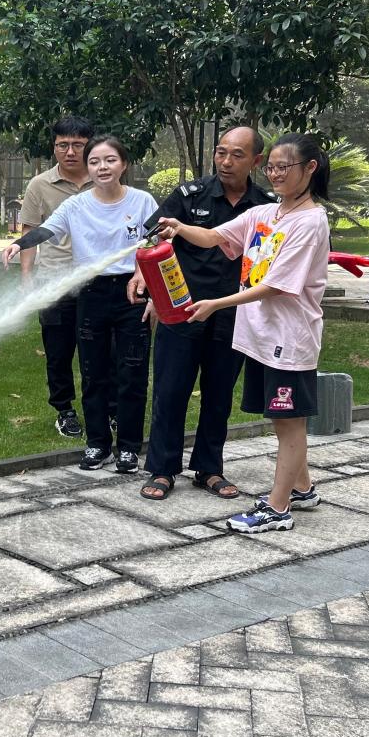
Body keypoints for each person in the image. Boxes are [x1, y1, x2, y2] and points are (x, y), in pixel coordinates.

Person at [155, 134, 332, 532]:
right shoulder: (266, 213)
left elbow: (277, 286)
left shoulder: (310, 222)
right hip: (261, 337)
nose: (276, 174)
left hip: (289, 339)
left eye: (284, 167)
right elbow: (214, 237)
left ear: (310, 168)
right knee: (281, 418)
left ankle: (277, 509)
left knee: (290, 423)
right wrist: (180, 227)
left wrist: (216, 304)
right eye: (272, 167)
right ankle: (302, 489)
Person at [129, 126, 274, 501]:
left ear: (256, 161)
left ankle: (209, 469)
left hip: (232, 313)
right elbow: (152, 235)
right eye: (221, 152)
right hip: (182, 310)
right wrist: (145, 279)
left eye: (237, 155)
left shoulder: (266, 206)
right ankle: (162, 469)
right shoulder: (189, 195)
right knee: (170, 390)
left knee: (219, 394)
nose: (226, 161)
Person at [4, 136, 157, 472]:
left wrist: (151, 289)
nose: (102, 167)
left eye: (110, 160)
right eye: (95, 162)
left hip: (133, 292)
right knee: (93, 373)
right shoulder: (76, 206)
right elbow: (47, 229)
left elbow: (157, 243)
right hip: (90, 292)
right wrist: (19, 244)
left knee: (132, 372)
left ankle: (129, 447)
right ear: (88, 168)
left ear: (124, 164)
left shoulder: (143, 201)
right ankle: (98, 444)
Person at [18, 116, 96, 439]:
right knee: (58, 351)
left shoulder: (104, 179)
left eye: (78, 145)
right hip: (53, 281)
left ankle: (106, 409)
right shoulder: (39, 185)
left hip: (97, 281)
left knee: (101, 352)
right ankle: (64, 410)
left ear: (89, 146)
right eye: (63, 145)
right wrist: (27, 278)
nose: (70, 151)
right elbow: (30, 232)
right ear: (54, 148)